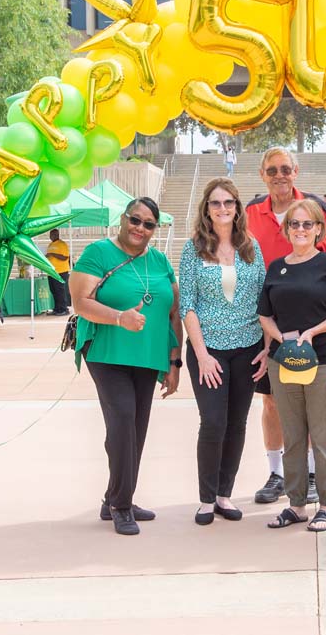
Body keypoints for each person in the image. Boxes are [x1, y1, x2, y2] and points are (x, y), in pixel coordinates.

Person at [69, 197, 182, 536]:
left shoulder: (160, 260)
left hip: (148, 356)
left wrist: (175, 361)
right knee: (121, 421)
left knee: (137, 427)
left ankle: (115, 497)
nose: (140, 228)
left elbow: (173, 313)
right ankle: (121, 505)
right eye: (135, 220)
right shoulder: (99, 253)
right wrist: (119, 318)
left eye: (149, 224)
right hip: (107, 352)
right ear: (123, 218)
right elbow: (80, 302)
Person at [258, 199, 326, 532]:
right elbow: (264, 315)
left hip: (325, 361)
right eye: (294, 224)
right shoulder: (276, 268)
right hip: (285, 363)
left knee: (323, 435)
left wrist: (313, 332)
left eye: (307, 224)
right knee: (294, 435)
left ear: (319, 229)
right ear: (287, 229)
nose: (300, 230)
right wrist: (281, 338)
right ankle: (296, 505)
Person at [244, 147, 326, 506]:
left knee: (307, 401)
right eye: (272, 170)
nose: (279, 175)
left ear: (295, 171)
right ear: (263, 174)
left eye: (285, 169)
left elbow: (325, 259)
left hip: (307, 323)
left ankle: (310, 473)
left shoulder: (311, 209)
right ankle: (277, 473)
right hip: (264, 320)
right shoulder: (250, 212)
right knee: (271, 402)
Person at [179, 178, 267, 526]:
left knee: (237, 423)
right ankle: (205, 498)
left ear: (237, 207)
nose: (222, 209)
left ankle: (224, 495)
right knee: (213, 422)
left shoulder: (251, 247)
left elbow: (264, 300)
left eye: (228, 202)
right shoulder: (193, 248)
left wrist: (267, 346)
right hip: (209, 350)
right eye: (215, 203)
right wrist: (201, 354)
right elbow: (187, 305)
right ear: (206, 209)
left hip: (247, 348)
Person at [46, 229, 71, 316]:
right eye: (50, 235)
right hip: (51, 271)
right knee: (53, 290)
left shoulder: (62, 244)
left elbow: (65, 257)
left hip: (60, 271)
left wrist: (53, 254)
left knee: (60, 290)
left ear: (57, 235)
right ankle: (57, 309)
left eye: (52, 235)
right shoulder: (50, 245)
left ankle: (63, 309)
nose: (51, 236)